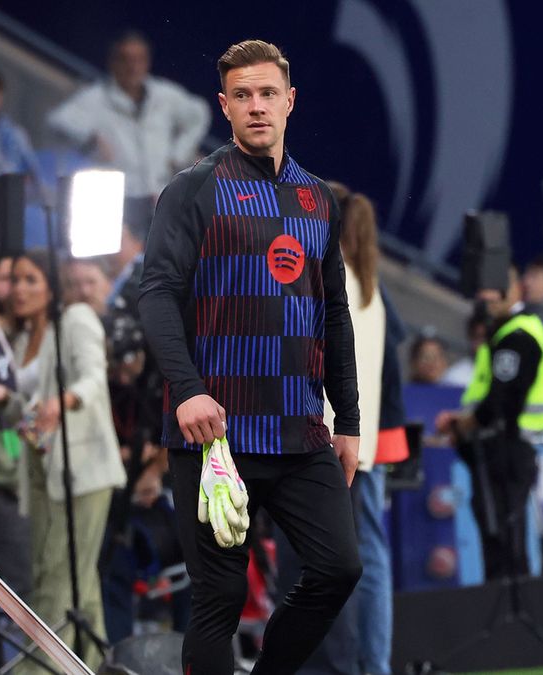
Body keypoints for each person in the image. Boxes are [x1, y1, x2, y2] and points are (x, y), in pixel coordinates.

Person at [137, 40, 362, 674]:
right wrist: (187, 390)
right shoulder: (192, 190)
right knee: (220, 598)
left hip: (299, 430)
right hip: (216, 436)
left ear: (290, 101)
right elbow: (155, 295)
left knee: (339, 569)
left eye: (268, 94)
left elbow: (335, 313)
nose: (256, 106)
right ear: (224, 106)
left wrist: (347, 420)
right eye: (243, 96)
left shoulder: (318, 198)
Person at [274, 185, 395, 675]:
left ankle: (339, 665)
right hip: (352, 442)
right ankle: (370, 663)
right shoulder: (370, 287)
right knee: (360, 560)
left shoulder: (325, 275)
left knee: (324, 566)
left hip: (319, 440)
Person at [11, 250, 126, 672]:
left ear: (50, 285)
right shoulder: (23, 339)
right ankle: (93, 665)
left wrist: (65, 400)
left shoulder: (76, 320)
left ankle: (36, 669)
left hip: (85, 472)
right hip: (41, 468)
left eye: (29, 279)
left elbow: (94, 378)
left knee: (58, 577)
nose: (18, 289)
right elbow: (28, 406)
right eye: (15, 280)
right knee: (76, 579)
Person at [435, 267, 543, 580]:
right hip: (496, 449)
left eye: (497, 286)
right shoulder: (501, 332)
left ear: (516, 289)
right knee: (498, 538)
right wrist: (463, 421)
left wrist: (467, 424)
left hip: (510, 450)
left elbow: (502, 400)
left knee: (507, 541)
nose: (488, 295)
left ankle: (514, 617)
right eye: (484, 287)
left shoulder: (518, 334)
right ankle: (506, 614)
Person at [48, 31, 210, 231]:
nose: (133, 67)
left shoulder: (164, 95)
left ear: (147, 62)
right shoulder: (97, 98)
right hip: (120, 199)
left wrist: (178, 153)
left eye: (139, 60)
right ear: (113, 63)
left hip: (159, 194)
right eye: (126, 60)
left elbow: (199, 113)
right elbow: (58, 121)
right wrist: (90, 138)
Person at [0, 255, 31, 596]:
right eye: (5, 279)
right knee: (17, 581)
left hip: (15, 456)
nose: (13, 289)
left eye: (23, 280)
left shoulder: (12, 331)